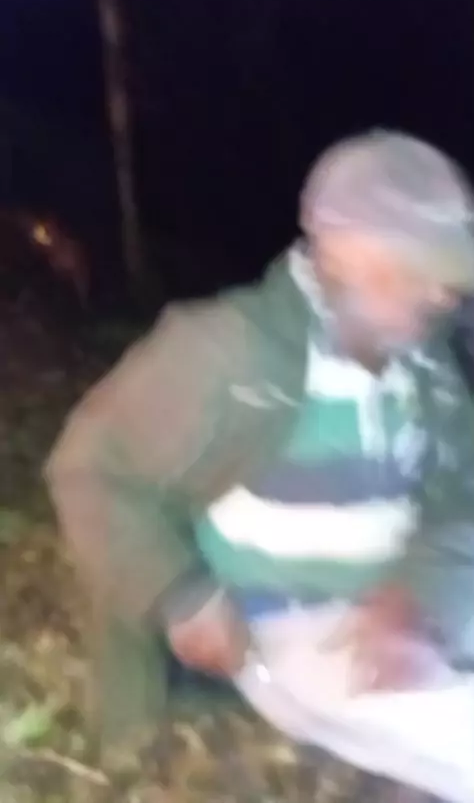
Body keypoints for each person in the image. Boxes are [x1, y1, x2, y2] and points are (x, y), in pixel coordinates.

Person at [46, 130, 474, 801]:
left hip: (406, 603)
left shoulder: (427, 368)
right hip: (295, 628)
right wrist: (183, 596)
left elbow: (459, 499)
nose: (444, 297)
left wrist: (417, 597)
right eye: (422, 273)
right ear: (345, 255)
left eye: (449, 277)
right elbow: (91, 471)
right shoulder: (228, 352)